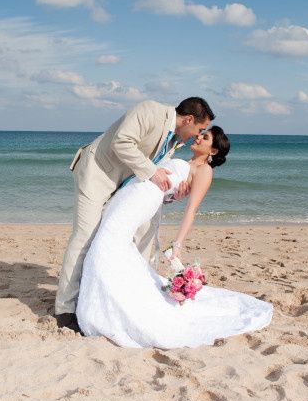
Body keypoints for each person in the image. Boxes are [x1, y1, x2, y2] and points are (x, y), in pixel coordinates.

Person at [76, 127, 273, 348]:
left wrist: (177, 243)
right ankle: (113, 298)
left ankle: (108, 304)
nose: (198, 136)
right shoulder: (185, 161)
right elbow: (166, 186)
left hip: (142, 199)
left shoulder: (204, 171)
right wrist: (170, 196)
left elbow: (191, 209)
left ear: (214, 151)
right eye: (201, 133)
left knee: (108, 241)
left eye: (205, 137)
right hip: (132, 193)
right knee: (111, 240)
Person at [55, 98, 215, 332]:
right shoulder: (149, 111)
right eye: (199, 129)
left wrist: (171, 194)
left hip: (122, 186)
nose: (197, 135)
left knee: (132, 237)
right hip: (97, 175)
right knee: (84, 237)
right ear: (189, 119)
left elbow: (155, 180)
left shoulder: (174, 141)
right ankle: (64, 310)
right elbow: (122, 141)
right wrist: (153, 172)